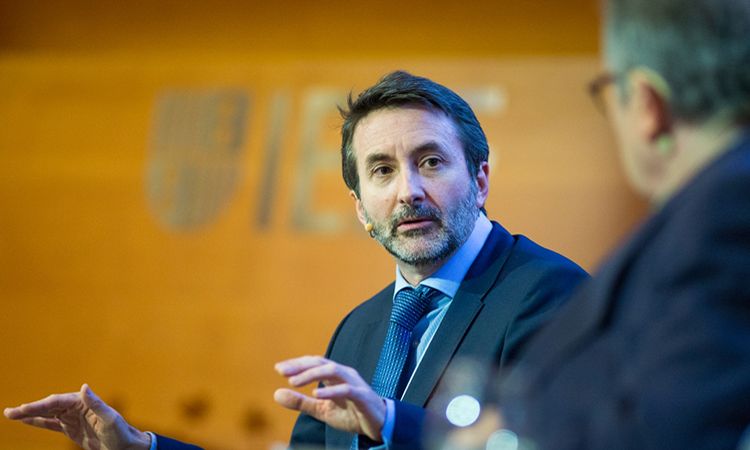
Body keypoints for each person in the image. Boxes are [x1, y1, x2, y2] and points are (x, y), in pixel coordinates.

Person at [3, 71, 588, 449]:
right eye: (382, 171)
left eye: (430, 162)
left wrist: (389, 421)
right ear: (360, 207)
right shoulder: (360, 329)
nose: (407, 191)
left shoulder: (550, 293)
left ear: (481, 179)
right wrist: (145, 447)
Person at [491, 0, 750, 449]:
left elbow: (674, 427)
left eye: (609, 88)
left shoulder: (726, 214)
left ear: (647, 103)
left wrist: (510, 439)